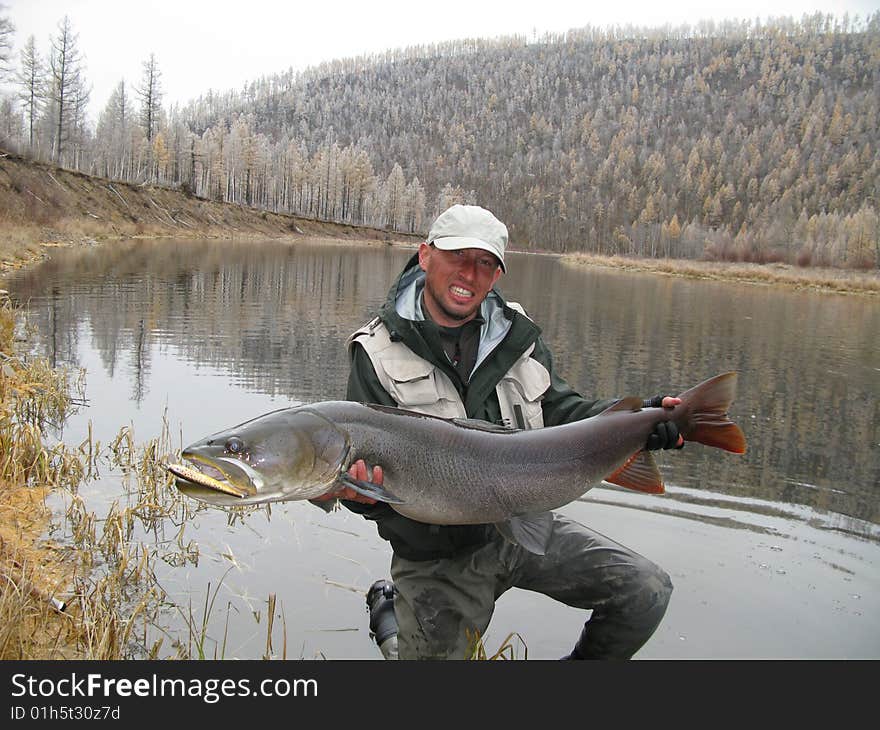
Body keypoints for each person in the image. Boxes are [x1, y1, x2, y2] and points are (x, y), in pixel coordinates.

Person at [313, 204, 682, 660]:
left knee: (646, 591)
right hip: (437, 557)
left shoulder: (516, 333)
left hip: (524, 523)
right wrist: (362, 497)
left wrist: (636, 418)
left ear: (497, 273)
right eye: (458, 256)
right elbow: (365, 488)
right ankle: (389, 619)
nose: (470, 272)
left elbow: (560, 411)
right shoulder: (376, 351)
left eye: (485, 262)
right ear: (425, 255)